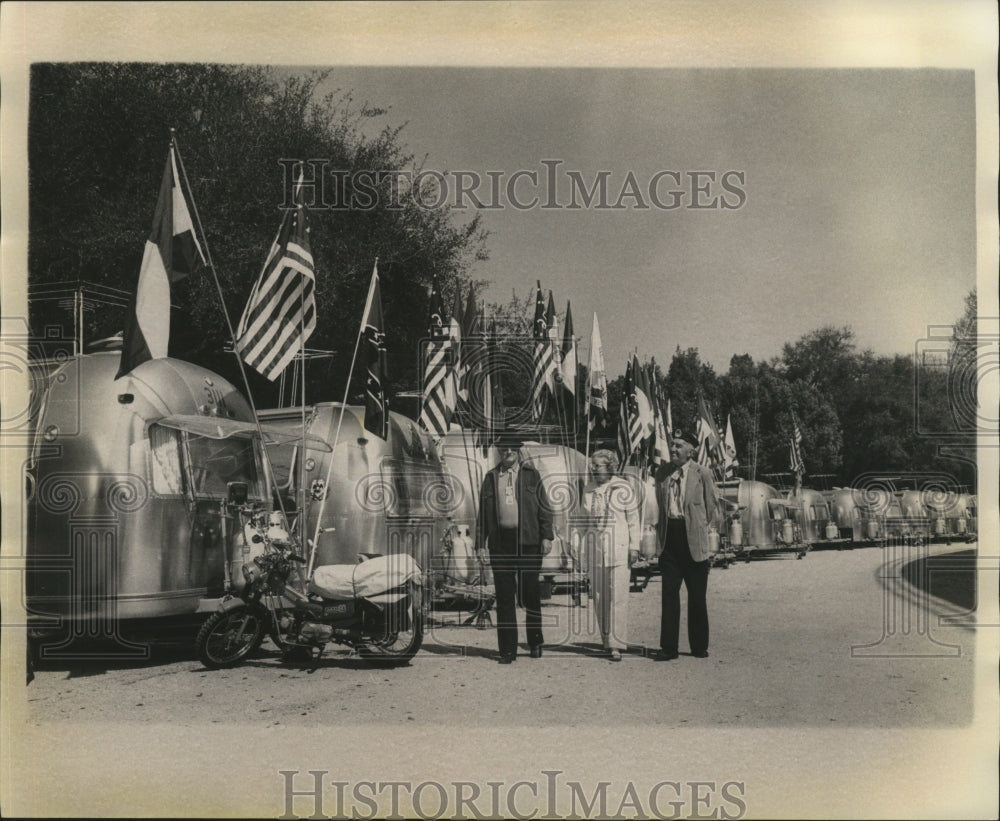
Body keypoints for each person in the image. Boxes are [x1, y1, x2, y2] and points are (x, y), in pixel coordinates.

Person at [479, 433, 554, 663]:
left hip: (528, 542)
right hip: (501, 544)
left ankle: (535, 641)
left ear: (518, 450)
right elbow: (483, 514)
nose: (507, 452)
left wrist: (546, 536)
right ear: (499, 452)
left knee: (530, 594)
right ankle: (507, 650)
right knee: (504, 597)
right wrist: (480, 544)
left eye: (511, 448)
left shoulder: (531, 475)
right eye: (503, 449)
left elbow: (545, 508)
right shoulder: (491, 477)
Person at [654, 429, 719, 660]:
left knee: (697, 596)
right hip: (669, 538)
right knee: (669, 594)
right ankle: (668, 648)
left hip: (693, 538)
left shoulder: (703, 474)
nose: (673, 449)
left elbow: (711, 508)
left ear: (691, 451)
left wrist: (698, 528)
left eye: (678, 446)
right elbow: (660, 506)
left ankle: (699, 646)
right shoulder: (662, 473)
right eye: (672, 445)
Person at [581, 449, 640, 661]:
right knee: (599, 596)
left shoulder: (623, 486)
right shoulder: (588, 489)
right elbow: (583, 520)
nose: (594, 469)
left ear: (610, 466)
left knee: (618, 597)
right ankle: (606, 639)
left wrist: (635, 546)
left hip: (619, 548)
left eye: (598, 465)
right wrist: (577, 545)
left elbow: (633, 518)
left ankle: (617, 644)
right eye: (592, 466)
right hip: (595, 548)